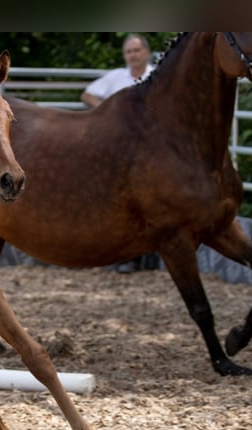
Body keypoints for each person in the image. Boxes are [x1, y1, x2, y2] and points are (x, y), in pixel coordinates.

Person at [81, 34, 160, 274]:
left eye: (136, 50)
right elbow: (87, 94)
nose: (133, 55)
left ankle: (151, 254)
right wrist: (107, 111)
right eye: (128, 52)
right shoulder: (117, 77)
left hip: (152, 146)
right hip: (120, 149)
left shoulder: (158, 75)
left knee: (154, 199)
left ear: (146, 52)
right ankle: (124, 255)